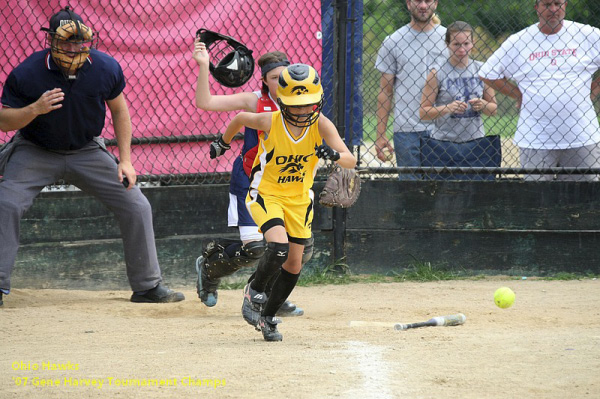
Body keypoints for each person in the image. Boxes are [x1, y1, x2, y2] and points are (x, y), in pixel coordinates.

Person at [0, 6, 184, 307]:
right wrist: (35, 109)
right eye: (66, 42)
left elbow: (120, 111)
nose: (74, 49)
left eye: (79, 42)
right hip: (36, 149)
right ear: (51, 41)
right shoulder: (28, 72)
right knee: (6, 203)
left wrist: (125, 160)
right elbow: (4, 121)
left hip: (87, 150)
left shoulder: (104, 67)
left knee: (136, 205)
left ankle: (148, 286)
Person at [210, 64, 357, 341]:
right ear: (282, 101)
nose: (302, 110)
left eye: (308, 104)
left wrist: (334, 155)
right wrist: (223, 142)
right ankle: (254, 290)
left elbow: (350, 160)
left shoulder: (322, 124)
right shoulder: (270, 121)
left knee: (293, 264)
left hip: (299, 201)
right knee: (278, 247)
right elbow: (241, 117)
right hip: (267, 194)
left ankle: (267, 316)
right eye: (295, 105)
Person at [191, 38, 308, 316]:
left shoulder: (304, 103)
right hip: (249, 181)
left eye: (285, 76)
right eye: (274, 78)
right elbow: (204, 102)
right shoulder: (255, 102)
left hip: (284, 186)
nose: (280, 83)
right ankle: (209, 268)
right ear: (265, 82)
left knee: (290, 246)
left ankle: (269, 297)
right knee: (256, 248)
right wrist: (204, 66)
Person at [479, 0, 600, 181]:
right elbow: (487, 73)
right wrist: (518, 94)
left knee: (585, 198)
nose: (553, 9)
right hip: (535, 136)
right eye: (547, 4)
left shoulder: (588, 34)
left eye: (558, 4)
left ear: (565, 5)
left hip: (582, 134)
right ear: (537, 8)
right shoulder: (520, 41)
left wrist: (594, 89)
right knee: (537, 199)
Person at [374, 0, 447, 179]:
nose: (423, 5)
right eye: (417, 0)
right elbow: (385, 91)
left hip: (444, 128)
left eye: (428, 1)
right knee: (410, 193)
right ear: (408, 4)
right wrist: (380, 134)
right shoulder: (393, 41)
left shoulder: (450, 39)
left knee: (444, 192)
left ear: (435, 3)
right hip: (407, 130)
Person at [419, 21, 497, 142]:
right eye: (456, 44)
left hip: (475, 141)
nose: (462, 49)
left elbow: (493, 109)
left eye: (466, 43)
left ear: (473, 43)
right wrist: (448, 108)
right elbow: (423, 113)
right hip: (444, 142)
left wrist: (483, 105)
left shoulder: (482, 70)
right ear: (447, 44)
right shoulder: (437, 73)